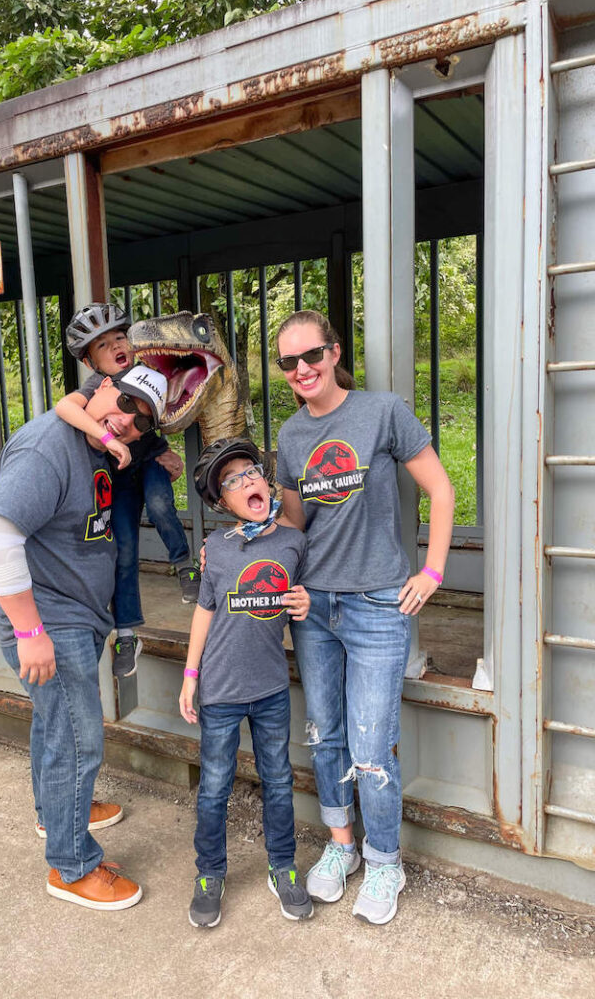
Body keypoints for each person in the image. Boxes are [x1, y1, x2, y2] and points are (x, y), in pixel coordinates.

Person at [273, 310, 455, 926]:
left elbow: (442, 488)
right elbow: (296, 526)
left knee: (372, 746)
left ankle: (384, 861)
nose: (302, 370)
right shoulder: (291, 436)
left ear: (333, 351)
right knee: (326, 735)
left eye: (312, 356)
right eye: (288, 363)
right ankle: (342, 847)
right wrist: (260, 556)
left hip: (378, 602)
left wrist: (430, 572)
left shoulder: (382, 411)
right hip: (313, 605)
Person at [0, 364, 167, 911]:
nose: (127, 420)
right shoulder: (49, 447)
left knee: (56, 727)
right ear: (101, 386)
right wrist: (31, 631)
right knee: (79, 741)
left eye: (141, 420)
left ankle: (57, 812)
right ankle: (71, 865)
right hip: (48, 617)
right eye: (125, 401)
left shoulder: (97, 444)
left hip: (75, 614)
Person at [179, 438, 313, 928]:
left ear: (266, 479)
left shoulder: (294, 542)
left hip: (272, 689)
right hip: (219, 691)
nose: (246, 482)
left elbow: (305, 601)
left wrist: (305, 606)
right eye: (231, 482)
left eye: (251, 472)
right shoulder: (216, 547)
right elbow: (204, 611)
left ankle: (282, 867)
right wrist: (190, 675)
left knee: (278, 781)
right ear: (223, 503)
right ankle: (209, 873)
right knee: (214, 787)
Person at [57, 303, 201, 680]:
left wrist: (169, 452)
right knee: (123, 552)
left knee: (159, 505)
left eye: (120, 337)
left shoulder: (148, 371)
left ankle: (184, 565)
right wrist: (106, 436)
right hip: (118, 477)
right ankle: (125, 635)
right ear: (92, 365)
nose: (115, 346)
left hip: (150, 463)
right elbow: (64, 407)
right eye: (102, 346)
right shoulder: (96, 387)